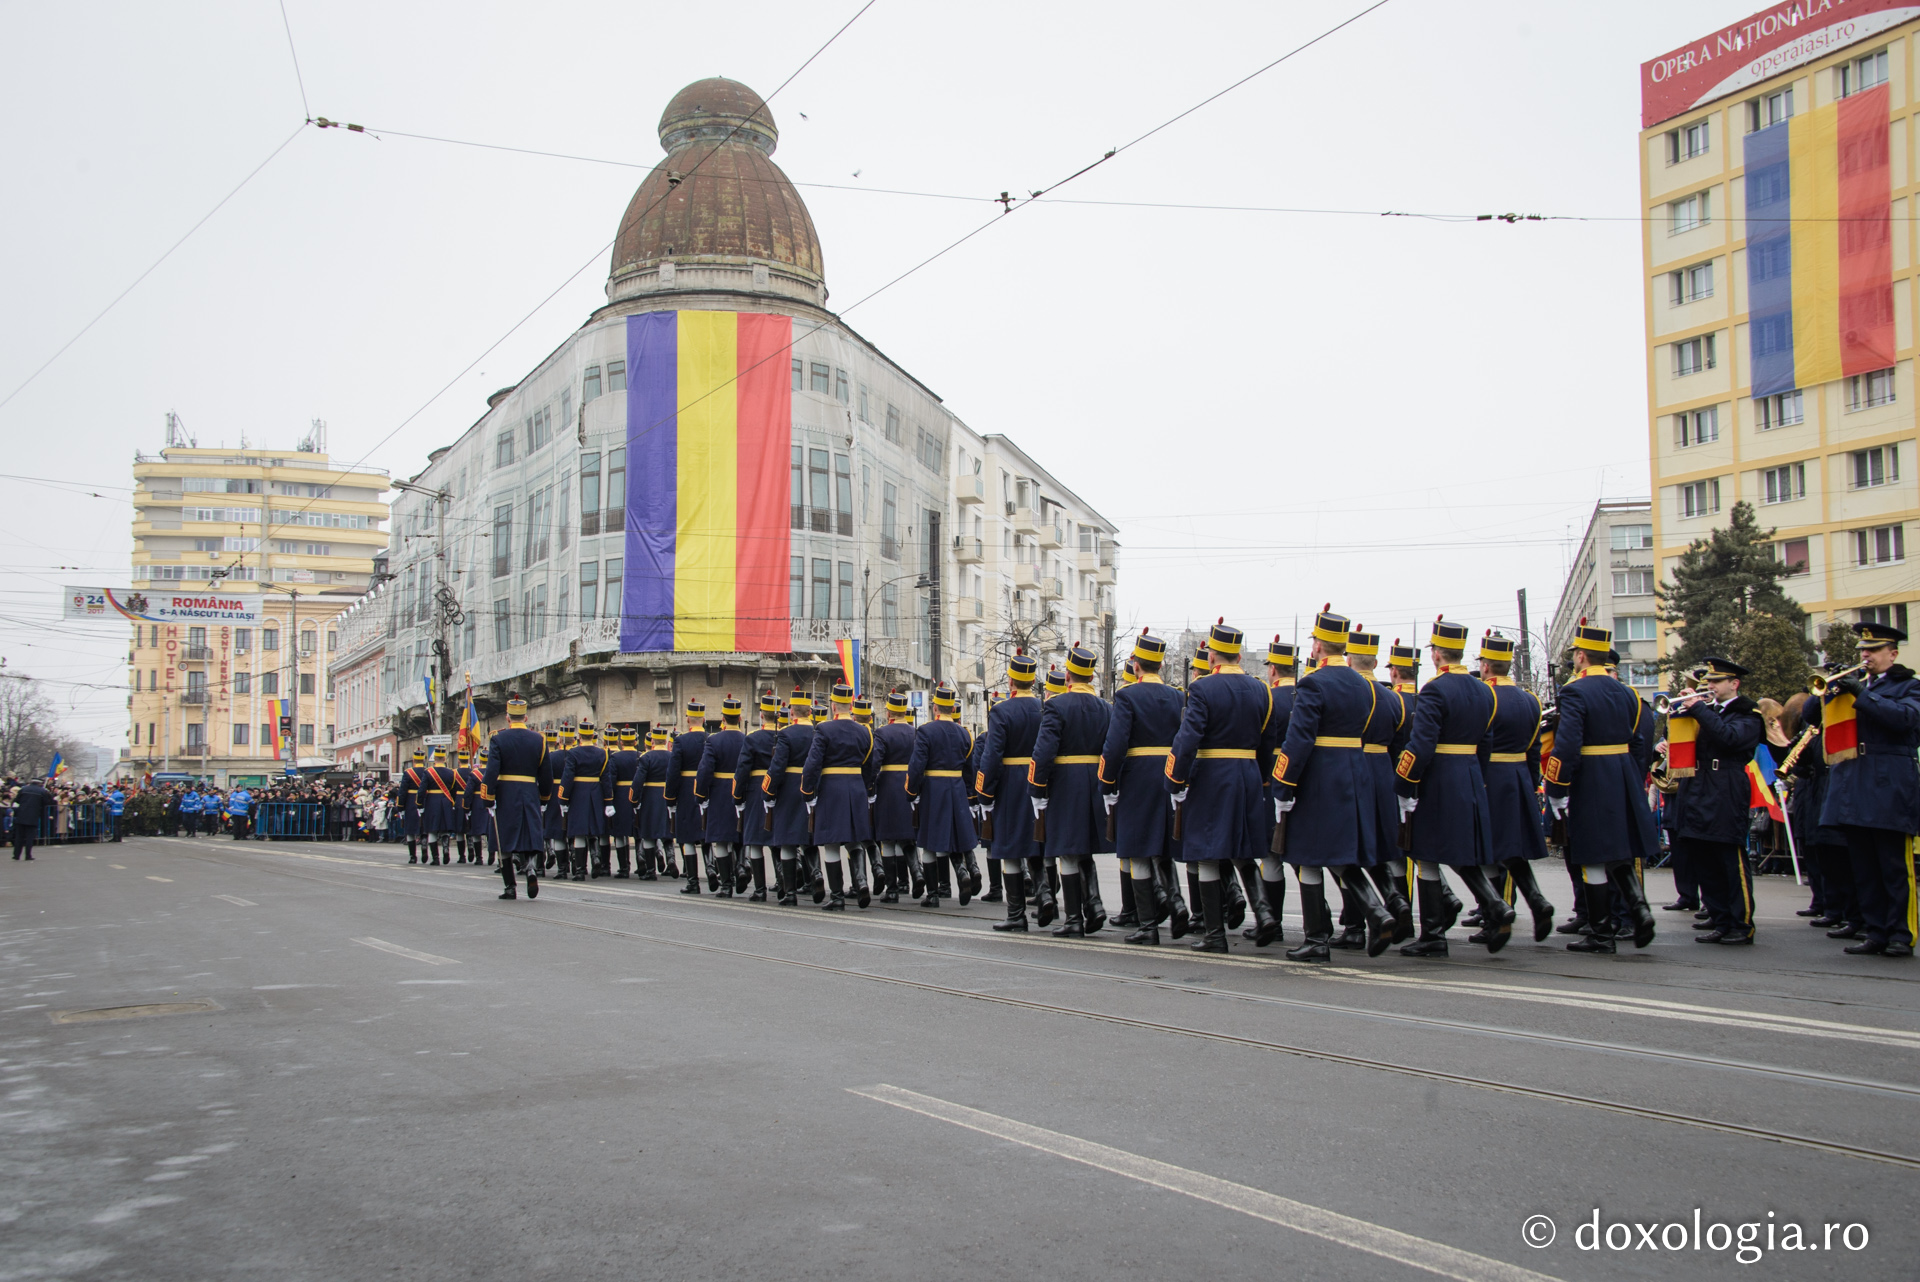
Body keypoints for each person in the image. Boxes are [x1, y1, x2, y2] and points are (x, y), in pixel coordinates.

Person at [1270, 608, 1393, 960]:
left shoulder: (1313, 682)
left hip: (1319, 777)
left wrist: (1283, 785)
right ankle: (1376, 910)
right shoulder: (1365, 685)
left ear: (1320, 645)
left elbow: (1299, 739)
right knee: (1341, 853)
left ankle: (1317, 939)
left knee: (1309, 857)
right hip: (1354, 773)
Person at [1542, 622, 1662, 954]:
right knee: (1619, 851)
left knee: (1593, 855)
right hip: (1621, 772)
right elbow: (1638, 741)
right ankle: (1639, 908)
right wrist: (1632, 778)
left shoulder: (1575, 691)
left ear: (1581, 656)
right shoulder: (1626, 691)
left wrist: (1556, 786)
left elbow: (1567, 745)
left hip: (1592, 775)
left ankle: (1601, 933)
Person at [1818, 621, 1920, 957]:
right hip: (1855, 784)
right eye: (1862, 650)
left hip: (1889, 784)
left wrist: (1862, 694)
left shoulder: (1910, 686)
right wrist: (1831, 688)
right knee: (1864, 868)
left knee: (1894, 867)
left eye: (1873, 650)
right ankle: (1875, 931)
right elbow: (1811, 717)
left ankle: (1901, 935)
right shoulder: (1854, 686)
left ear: (1892, 654)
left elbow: (1904, 720)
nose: (1865, 655)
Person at [1098, 630, 1188, 944]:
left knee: (1137, 850)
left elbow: (1116, 743)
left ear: (1136, 665)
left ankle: (1148, 925)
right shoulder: (1178, 696)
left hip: (1137, 777)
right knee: (1162, 846)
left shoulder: (1127, 696)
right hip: (1167, 774)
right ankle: (1176, 902)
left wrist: (1107, 780)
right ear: (1161, 665)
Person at [1666, 656, 1762, 945]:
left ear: (1735, 683)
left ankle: (1740, 924)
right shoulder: (1706, 711)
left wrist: (1698, 710)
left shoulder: (1748, 713)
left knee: (1728, 858)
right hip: (1697, 786)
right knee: (1703, 857)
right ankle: (1720, 920)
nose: (1710, 686)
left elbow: (1729, 739)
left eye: (1717, 681)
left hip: (1726, 787)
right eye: (1708, 682)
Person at [1474, 631, 1555, 941]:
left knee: (1488, 851)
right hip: (1519, 775)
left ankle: (1496, 917)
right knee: (1512, 850)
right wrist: (1532, 782)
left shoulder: (1485, 696)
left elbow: (1479, 742)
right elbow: (1534, 748)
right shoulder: (1530, 700)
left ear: (1486, 665)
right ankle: (1536, 900)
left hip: (1490, 775)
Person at [1030, 644, 1114, 937]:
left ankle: (1074, 918)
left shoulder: (1056, 705)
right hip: (1094, 781)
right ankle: (1095, 905)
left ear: (1068, 676)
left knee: (1067, 850)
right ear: (1090, 677)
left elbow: (1044, 752)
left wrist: (1037, 788)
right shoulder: (1106, 708)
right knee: (1085, 848)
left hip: (1066, 783)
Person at [975, 652, 1051, 925]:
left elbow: (992, 756)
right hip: (1038, 781)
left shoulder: (1001, 710)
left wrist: (985, 792)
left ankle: (1016, 914)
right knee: (1034, 843)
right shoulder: (1044, 708)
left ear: (1011, 681)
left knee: (1008, 847)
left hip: (1009, 783)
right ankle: (1044, 895)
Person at [801, 683, 881, 910]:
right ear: (851, 706)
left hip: (831, 788)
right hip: (856, 787)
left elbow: (812, 764)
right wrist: (864, 787)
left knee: (832, 843)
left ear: (833, 706)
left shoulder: (824, 729)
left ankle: (837, 896)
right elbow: (870, 765)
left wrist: (808, 791)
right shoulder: (865, 731)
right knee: (854, 839)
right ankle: (862, 882)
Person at [907, 684, 977, 906]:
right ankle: (962, 872)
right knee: (953, 838)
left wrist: (912, 791)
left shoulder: (926, 731)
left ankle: (933, 894)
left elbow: (916, 766)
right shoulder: (965, 733)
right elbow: (970, 769)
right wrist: (970, 796)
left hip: (933, 789)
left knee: (929, 843)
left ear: (935, 707)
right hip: (956, 788)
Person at [483, 692, 555, 900]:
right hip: (530, 790)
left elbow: (491, 771)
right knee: (531, 833)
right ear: (525, 717)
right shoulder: (539, 740)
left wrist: (488, 797)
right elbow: (546, 774)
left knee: (505, 839)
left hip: (506, 792)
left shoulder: (498, 738)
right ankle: (531, 868)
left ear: (507, 717)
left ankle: (510, 887)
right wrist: (544, 797)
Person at [763, 690, 819, 905]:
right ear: (810, 711)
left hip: (788, 790)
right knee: (809, 839)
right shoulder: (818, 731)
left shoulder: (786, 733)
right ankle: (816, 877)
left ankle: (790, 893)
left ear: (792, 710)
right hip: (811, 788)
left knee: (787, 841)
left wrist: (768, 791)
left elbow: (777, 767)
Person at [696, 697, 749, 897]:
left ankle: (726, 885)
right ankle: (741, 868)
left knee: (720, 840)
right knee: (739, 836)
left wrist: (701, 794)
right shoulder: (747, 739)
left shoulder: (713, 740)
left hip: (719, 792)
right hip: (741, 791)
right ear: (740, 717)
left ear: (723, 718)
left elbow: (705, 770)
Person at [872, 689, 920, 906]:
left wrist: (870, 782)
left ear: (890, 710)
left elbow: (875, 762)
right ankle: (916, 874)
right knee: (906, 834)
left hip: (889, 787)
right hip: (909, 784)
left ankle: (892, 890)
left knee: (888, 838)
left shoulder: (882, 733)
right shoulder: (915, 732)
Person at [733, 693, 782, 899]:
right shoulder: (783, 736)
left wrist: (738, 794)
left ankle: (760, 890)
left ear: (762, 715)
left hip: (755, 791)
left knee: (754, 841)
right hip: (777, 789)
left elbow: (743, 769)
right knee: (777, 839)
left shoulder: (752, 738)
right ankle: (782, 882)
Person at [665, 701, 712, 894]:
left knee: (687, 838)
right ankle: (711, 868)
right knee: (706, 834)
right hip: (707, 790)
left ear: (687, 720)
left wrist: (670, 797)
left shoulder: (681, 741)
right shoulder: (711, 739)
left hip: (686, 792)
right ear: (704, 719)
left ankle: (693, 882)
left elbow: (673, 772)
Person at [560, 720, 612, 882]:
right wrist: (609, 800)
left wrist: (563, 798)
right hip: (596, 793)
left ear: (580, 736)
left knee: (579, 833)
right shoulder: (602, 753)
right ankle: (596, 858)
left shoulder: (573, 753)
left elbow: (568, 777)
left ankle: (580, 870)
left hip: (578, 794)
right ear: (593, 735)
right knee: (594, 829)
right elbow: (606, 779)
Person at [635, 728, 673, 880]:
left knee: (648, 834)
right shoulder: (672, 756)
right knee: (667, 831)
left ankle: (651, 871)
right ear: (665, 741)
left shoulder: (646, 757)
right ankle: (670, 858)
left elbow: (638, 780)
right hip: (667, 796)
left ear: (652, 741)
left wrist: (634, 800)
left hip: (650, 797)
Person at [420, 746, 463, 867]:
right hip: (446, 801)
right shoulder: (451, 773)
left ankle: (436, 858)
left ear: (434, 758)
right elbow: (453, 790)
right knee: (444, 829)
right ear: (445, 758)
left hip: (432, 802)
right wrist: (452, 802)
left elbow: (422, 790)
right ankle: (446, 850)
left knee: (432, 830)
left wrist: (419, 803)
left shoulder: (428, 772)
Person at [607, 727, 640, 878]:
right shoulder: (641, 756)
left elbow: (611, 779)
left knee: (620, 834)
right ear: (635, 741)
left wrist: (609, 798)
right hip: (636, 795)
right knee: (638, 832)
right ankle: (642, 864)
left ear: (621, 742)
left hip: (620, 796)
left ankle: (624, 867)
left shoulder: (615, 757)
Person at [11, 777, 53, 860]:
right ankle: (28, 855)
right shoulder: (42, 791)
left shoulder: (23, 789)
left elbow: (17, 800)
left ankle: (16, 855)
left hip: (21, 815)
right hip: (33, 816)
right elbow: (46, 803)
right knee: (29, 837)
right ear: (39, 783)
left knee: (19, 837)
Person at [401, 749, 426, 864]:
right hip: (425, 801)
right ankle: (425, 850)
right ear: (424, 760)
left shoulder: (408, 773)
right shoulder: (428, 771)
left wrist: (400, 806)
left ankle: (412, 856)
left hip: (411, 801)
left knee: (410, 830)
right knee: (424, 828)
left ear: (413, 760)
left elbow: (402, 791)